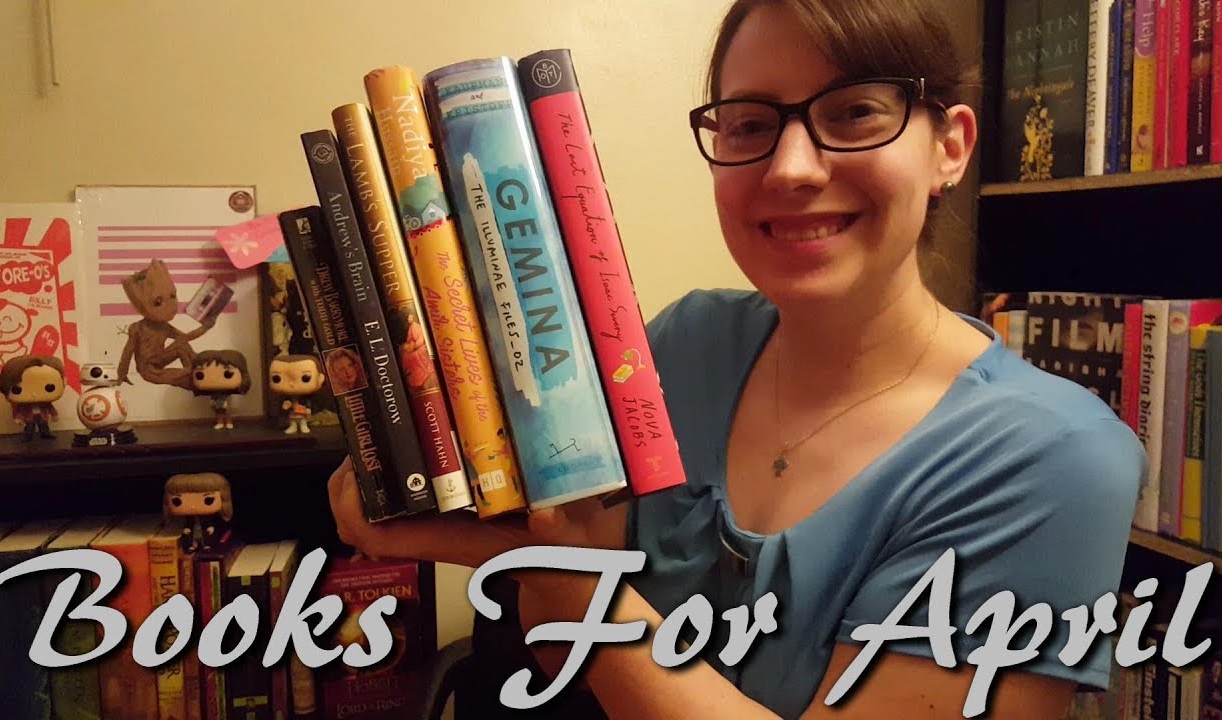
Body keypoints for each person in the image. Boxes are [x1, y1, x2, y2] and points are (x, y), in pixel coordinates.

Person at [327, 0, 1146, 717]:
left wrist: (565, 575)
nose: (791, 169)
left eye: (855, 112)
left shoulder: (1054, 460)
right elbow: (558, 658)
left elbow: (573, 598)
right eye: (751, 125)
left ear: (950, 148)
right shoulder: (676, 348)